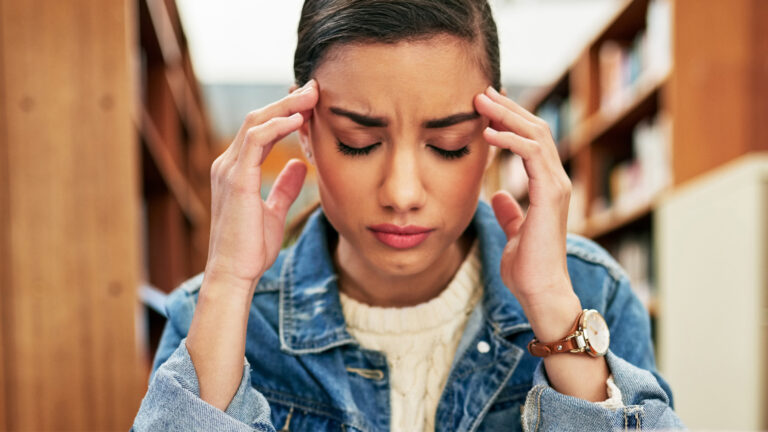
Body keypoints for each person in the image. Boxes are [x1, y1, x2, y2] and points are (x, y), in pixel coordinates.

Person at [133, 0, 684, 430]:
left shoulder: (593, 294)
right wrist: (228, 283)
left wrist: (553, 310)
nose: (401, 193)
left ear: (496, 136)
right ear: (303, 128)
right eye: (357, 142)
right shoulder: (210, 316)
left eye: (446, 145)